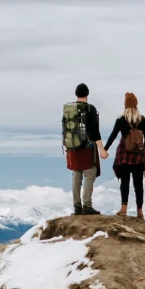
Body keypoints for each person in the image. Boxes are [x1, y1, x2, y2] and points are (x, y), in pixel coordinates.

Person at [62, 83, 108, 215]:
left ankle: (77, 206)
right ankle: (87, 205)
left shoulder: (68, 109)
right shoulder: (90, 109)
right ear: (87, 94)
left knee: (76, 175)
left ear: (76, 94)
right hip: (87, 148)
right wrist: (102, 149)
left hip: (72, 148)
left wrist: (67, 150)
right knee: (89, 174)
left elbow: (65, 131)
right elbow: (94, 132)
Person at [104, 92, 145, 219]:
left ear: (125, 105)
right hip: (138, 155)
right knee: (138, 184)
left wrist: (105, 149)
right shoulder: (142, 119)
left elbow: (113, 135)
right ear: (136, 104)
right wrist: (143, 151)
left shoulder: (121, 119)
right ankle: (140, 212)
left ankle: (124, 209)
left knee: (125, 181)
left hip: (124, 153)